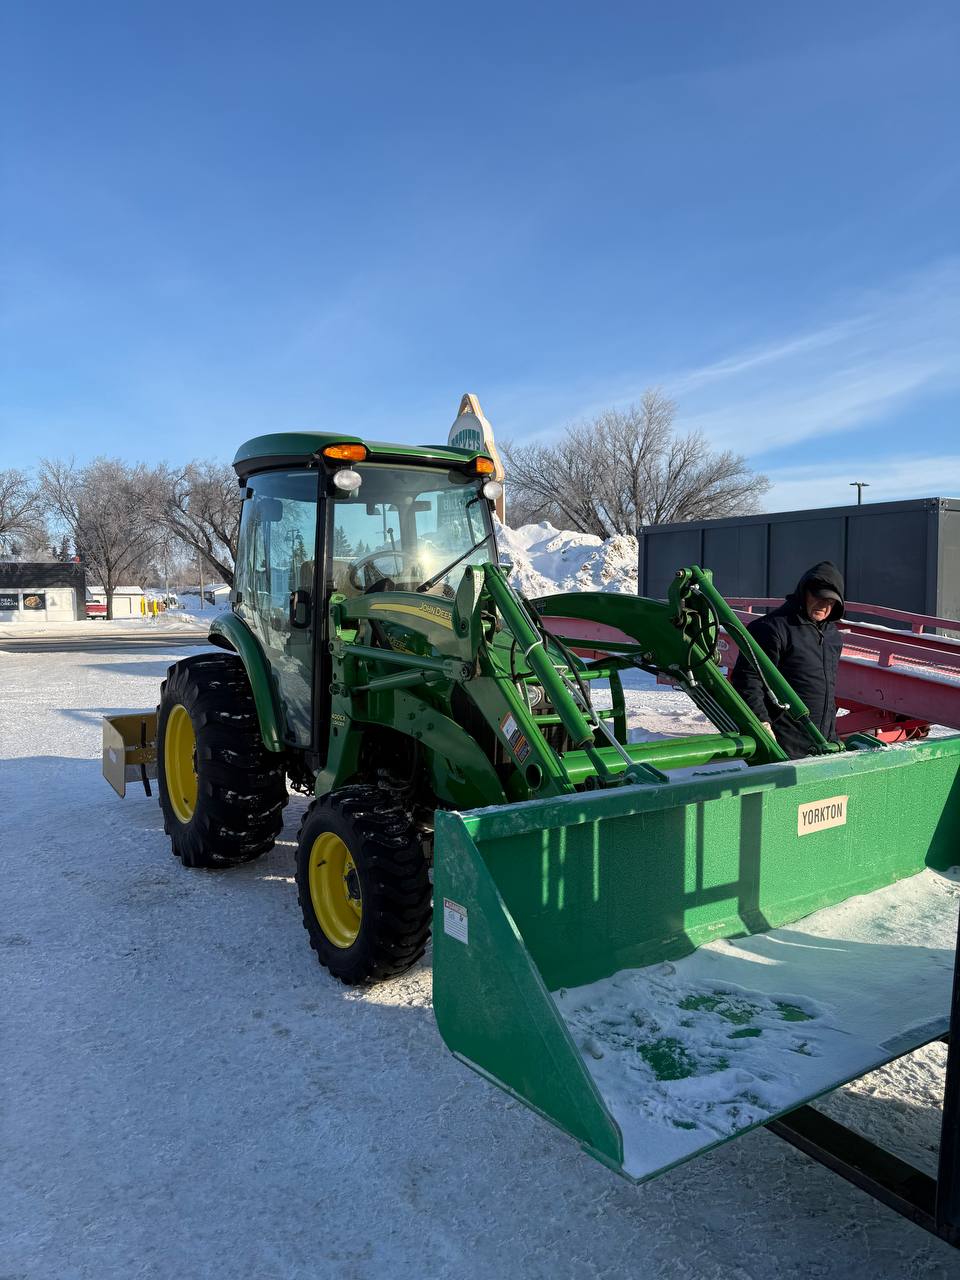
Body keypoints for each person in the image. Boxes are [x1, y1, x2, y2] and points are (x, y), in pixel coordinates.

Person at [730, 561, 844, 759]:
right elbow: (747, 680)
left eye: (830, 601)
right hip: (784, 742)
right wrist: (761, 723)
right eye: (818, 597)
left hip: (823, 740)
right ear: (804, 592)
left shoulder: (832, 636)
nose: (823, 604)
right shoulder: (771, 628)